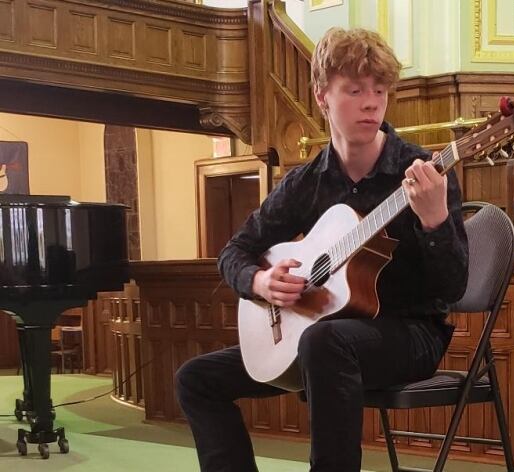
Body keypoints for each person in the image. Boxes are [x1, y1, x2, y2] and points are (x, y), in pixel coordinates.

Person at [175, 26, 468, 472]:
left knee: (323, 341)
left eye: (379, 90)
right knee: (195, 379)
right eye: (354, 90)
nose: (371, 102)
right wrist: (260, 281)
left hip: (411, 334)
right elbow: (234, 251)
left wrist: (435, 221)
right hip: (321, 336)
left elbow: (453, 287)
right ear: (321, 97)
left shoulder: (422, 171)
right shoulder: (305, 183)